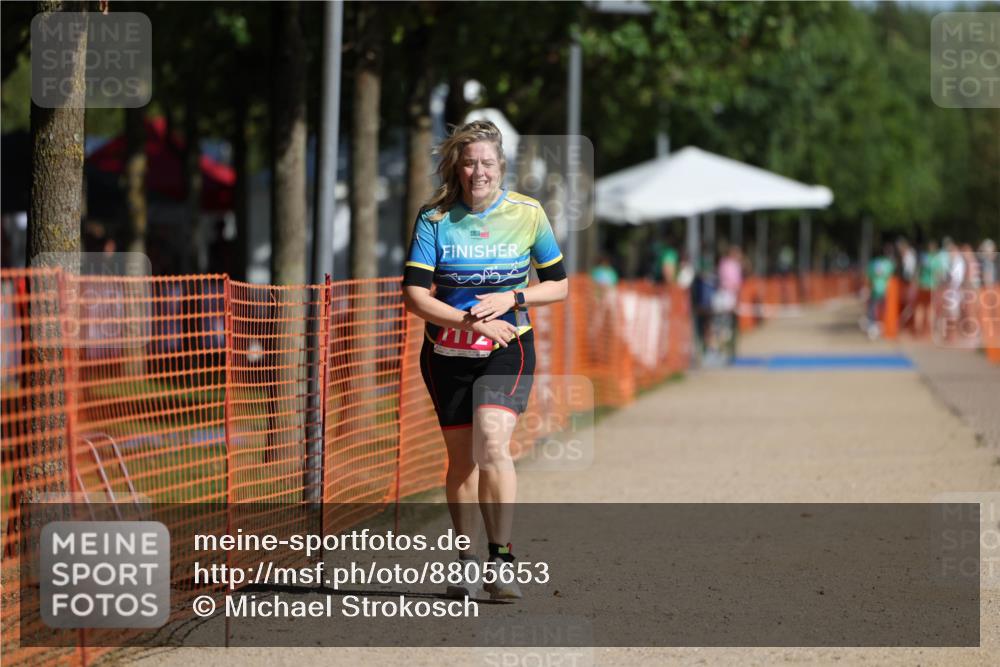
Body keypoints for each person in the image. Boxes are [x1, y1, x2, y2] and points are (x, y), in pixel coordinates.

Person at [401, 120, 568, 600]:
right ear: (457, 164)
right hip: (446, 352)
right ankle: (465, 562)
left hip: (508, 348)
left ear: (501, 167)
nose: (479, 172)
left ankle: (501, 560)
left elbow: (558, 285)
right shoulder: (434, 218)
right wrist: (470, 321)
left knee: (492, 443)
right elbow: (414, 295)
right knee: (461, 462)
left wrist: (514, 298)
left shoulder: (528, 213)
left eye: (487, 163)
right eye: (470, 161)